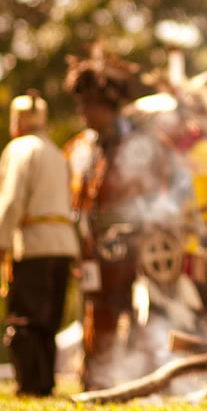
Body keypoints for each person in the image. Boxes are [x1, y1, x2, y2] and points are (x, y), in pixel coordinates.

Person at [65, 47, 195, 391]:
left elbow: (179, 184)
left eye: (86, 106)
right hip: (95, 250)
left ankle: (145, 381)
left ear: (104, 107)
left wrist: (153, 219)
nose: (81, 113)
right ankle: (97, 379)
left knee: (142, 316)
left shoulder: (142, 144)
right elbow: (76, 199)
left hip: (138, 246)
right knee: (98, 312)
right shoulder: (82, 148)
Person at [0, 91, 80, 396]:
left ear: (18, 121)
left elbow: (11, 201)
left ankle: (31, 386)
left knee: (26, 318)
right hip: (62, 246)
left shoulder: (20, 149)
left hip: (33, 246)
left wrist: (2, 241)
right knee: (48, 320)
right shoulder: (56, 153)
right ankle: (44, 383)